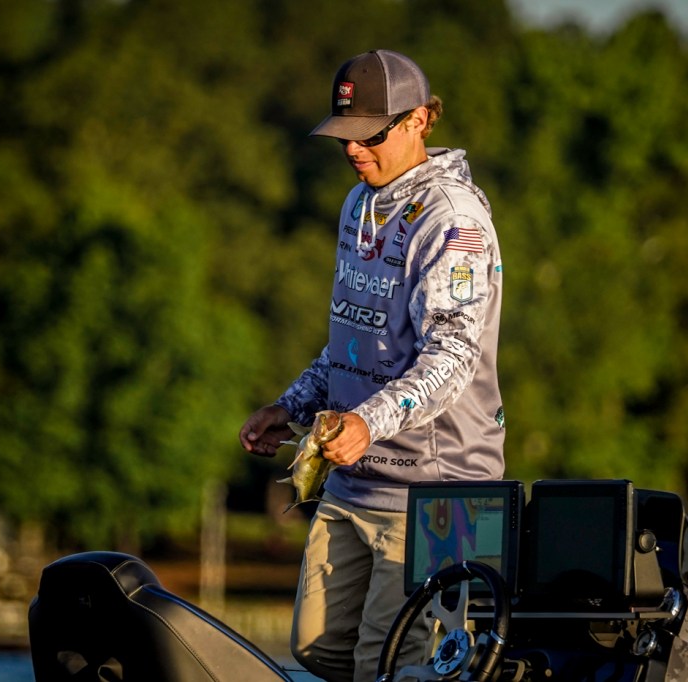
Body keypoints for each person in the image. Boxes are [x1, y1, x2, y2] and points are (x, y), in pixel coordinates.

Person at [239, 48, 505, 682]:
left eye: (370, 136)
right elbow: (352, 338)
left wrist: (367, 423)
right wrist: (291, 405)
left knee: (390, 669)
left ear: (419, 120)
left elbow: (453, 358)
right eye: (344, 136)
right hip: (352, 483)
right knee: (317, 649)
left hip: (438, 496)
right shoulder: (359, 204)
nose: (354, 150)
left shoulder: (453, 220)